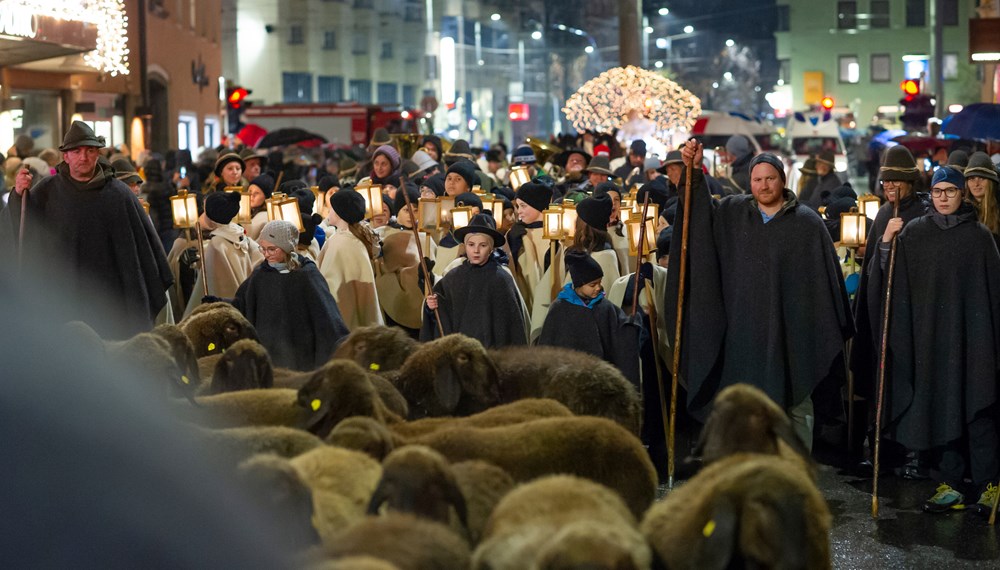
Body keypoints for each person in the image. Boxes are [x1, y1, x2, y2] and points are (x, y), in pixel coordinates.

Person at [666, 140, 854, 450]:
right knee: (745, 407)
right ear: (750, 181)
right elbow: (699, 214)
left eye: (770, 178)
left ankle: (795, 471)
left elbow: (824, 288)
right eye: (757, 179)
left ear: (782, 180)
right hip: (744, 336)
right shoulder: (734, 213)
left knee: (794, 407)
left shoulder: (806, 224)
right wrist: (693, 172)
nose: (763, 185)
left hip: (791, 337)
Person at [875, 165, 1000, 515]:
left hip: (973, 337)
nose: (943, 198)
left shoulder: (978, 237)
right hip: (932, 336)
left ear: (962, 195)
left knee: (977, 403)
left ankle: (989, 484)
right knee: (943, 404)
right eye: (938, 191)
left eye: (951, 191)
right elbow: (892, 279)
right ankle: (951, 482)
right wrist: (887, 242)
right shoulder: (915, 232)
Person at [0, 120, 172, 338]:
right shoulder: (47, 192)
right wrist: (18, 195)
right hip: (62, 299)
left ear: (98, 154)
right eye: (77, 151)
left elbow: (144, 251)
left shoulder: (119, 194)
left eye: (90, 150)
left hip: (111, 302)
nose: (83, 157)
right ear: (66, 156)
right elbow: (16, 227)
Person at [850, 145, 928, 458]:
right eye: (885, 182)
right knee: (886, 377)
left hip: (916, 314)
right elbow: (874, 270)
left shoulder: (925, 212)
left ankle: (914, 450)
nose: (890, 187)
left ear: (910, 181)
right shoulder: (883, 213)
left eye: (896, 181)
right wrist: (884, 242)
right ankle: (888, 445)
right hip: (886, 312)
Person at [233, 220, 349, 371]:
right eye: (263, 249)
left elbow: (326, 315)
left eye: (272, 249)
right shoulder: (261, 273)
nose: (266, 254)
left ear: (286, 247)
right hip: (268, 356)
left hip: (300, 355)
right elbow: (243, 303)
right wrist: (219, 304)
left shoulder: (306, 276)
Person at [538, 250, 641, 388]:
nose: (598, 288)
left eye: (599, 282)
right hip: (568, 381)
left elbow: (619, 335)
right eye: (592, 285)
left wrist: (631, 326)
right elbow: (548, 344)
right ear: (579, 285)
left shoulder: (604, 307)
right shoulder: (560, 309)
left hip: (600, 380)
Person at [422, 213, 527, 347]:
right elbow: (439, 312)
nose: (476, 250)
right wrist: (431, 306)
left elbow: (512, 327)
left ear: (491, 248)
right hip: (460, 353)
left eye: (483, 245)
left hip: (491, 354)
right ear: (465, 246)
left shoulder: (501, 279)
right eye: (471, 244)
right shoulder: (453, 277)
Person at [183, 191, 262, 318]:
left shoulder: (217, 244)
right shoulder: (237, 234)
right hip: (243, 296)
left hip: (226, 304)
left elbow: (214, 282)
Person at [316, 188, 384, 331]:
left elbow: (330, 284)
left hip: (342, 316)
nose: (329, 211)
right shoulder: (351, 239)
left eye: (332, 208)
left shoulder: (341, 243)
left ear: (341, 213)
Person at [504, 179, 552, 309]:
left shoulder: (555, 234)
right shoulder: (515, 233)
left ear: (538, 205)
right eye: (517, 206)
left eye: (523, 206)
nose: (519, 211)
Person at [965, 151, 1000, 244]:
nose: (976, 184)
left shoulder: (998, 210)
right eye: (972, 178)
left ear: (990, 182)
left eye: (982, 178)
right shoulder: (962, 211)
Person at [246, 174, 275, 241]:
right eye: (250, 191)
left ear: (265, 198)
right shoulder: (242, 210)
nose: (252, 195)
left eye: (257, 193)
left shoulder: (265, 217)